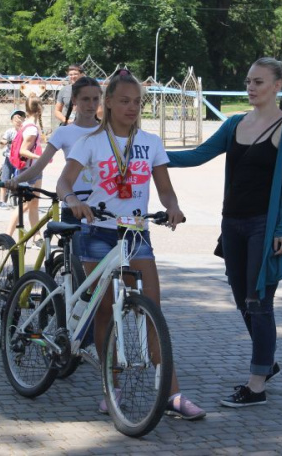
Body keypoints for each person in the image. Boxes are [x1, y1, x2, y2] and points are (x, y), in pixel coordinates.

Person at [56, 69, 206, 421]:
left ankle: (173, 394)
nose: (132, 107)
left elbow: (165, 188)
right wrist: (74, 201)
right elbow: (65, 180)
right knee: (106, 311)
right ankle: (113, 386)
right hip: (97, 234)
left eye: (137, 101)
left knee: (152, 311)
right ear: (107, 103)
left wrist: (172, 207)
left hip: (136, 234)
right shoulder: (90, 141)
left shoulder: (151, 143)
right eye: (124, 101)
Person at [167, 57, 282, 408]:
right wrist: (151, 154)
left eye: (259, 81)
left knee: (259, 302)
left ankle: (256, 384)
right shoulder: (234, 124)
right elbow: (198, 156)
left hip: (265, 225)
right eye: (248, 81)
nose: (251, 87)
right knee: (243, 299)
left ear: (278, 85)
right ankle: (266, 358)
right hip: (232, 224)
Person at [6, 76, 102, 254]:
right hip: (74, 205)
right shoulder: (65, 132)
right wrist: (17, 180)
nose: (91, 104)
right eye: (85, 99)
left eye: (96, 99)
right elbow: (39, 164)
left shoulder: (107, 131)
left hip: (102, 206)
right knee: (74, 268)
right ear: (74, 100)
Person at [6, 94, 46, 245]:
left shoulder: (29, 125)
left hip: (34, 170)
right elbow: (23, 151)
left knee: (34, 203)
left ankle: (36, 236)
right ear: (39, 108)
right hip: (27, 170)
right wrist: (40, 158)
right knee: (25, 205)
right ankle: (7, 236)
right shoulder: (32, 129)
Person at [0, 109, 25, 208]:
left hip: (20, 159)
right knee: (5, 179)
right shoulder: (10, 132)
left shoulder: (26, 131)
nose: (18, 122)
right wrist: (4, 142)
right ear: (12, 121)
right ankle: (1, 200)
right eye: (16, 120)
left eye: (21, 119)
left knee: (22, 179)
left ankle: (21, 198)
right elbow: (2, 143)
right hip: (9, 158)